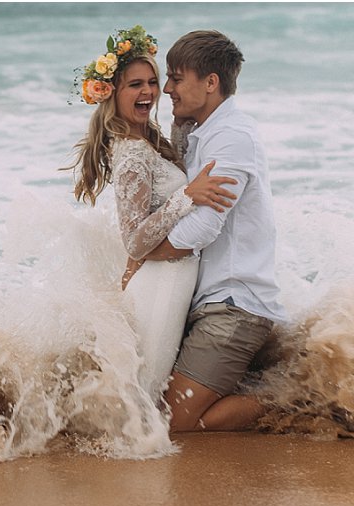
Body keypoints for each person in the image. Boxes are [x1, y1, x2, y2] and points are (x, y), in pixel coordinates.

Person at [65, 25, 238, 402]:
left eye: (153, 82)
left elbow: (169, 179)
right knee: (146, 393)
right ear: (112, 93)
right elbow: (136, 240)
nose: (148, 92)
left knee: (152, 392)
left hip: (174, 277)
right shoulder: (131, 154)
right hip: (161, 282)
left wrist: (182, 126)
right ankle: (136, 458)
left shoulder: (148, 138)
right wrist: (186, 199)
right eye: (134, 85)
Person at [137, 30, 287, 432]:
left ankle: (297, 400)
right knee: (154, 404)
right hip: (212, 301)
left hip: (235, 305)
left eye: (175, 78)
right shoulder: (203, 131)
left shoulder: (232, 137)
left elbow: (203, 226)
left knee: (171, 424)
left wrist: (144, 251)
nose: (166, 88)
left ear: (211, 82)